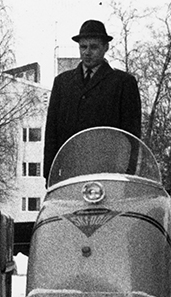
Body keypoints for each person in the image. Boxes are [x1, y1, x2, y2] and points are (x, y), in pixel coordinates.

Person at [43, 19, 142, 180]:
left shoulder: (123, 83)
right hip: (69, 173)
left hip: (108, 174)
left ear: (105, 47)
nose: (87, 52)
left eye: (94, 47)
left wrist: (127, 176)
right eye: (83, 47)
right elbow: (51, 132)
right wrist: (49, 173)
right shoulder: (62, 82)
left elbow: (131, 134)